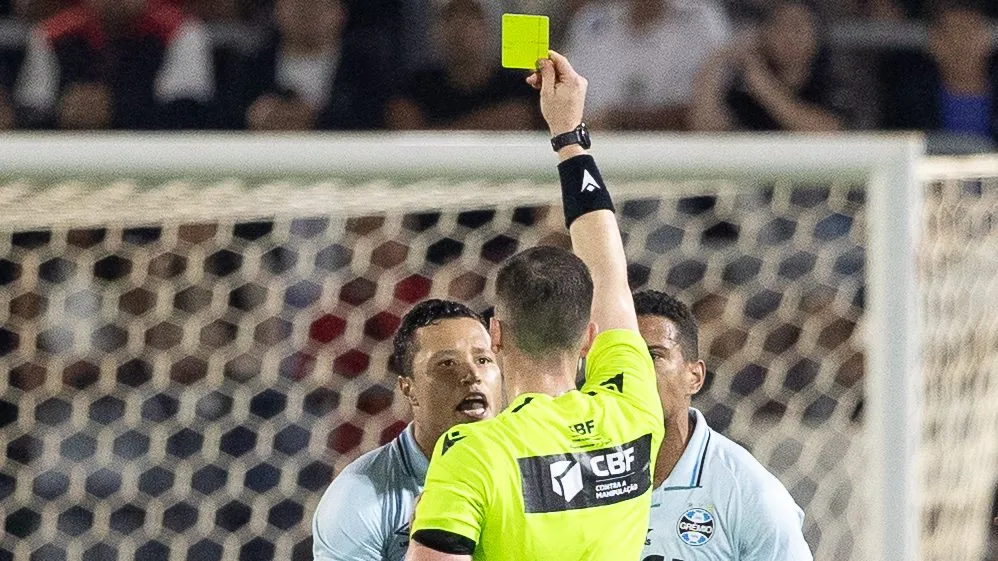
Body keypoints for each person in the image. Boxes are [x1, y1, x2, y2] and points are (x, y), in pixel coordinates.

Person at [407, 51, 664, 560]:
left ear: (495, 335)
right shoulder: (634, 408)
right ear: (589, 338)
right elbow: (610, 278)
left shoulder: (475, 453)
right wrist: (570, 135)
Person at [312, 299, 502, 561]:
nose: (472, 374)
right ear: (408, 389)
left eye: (483, 359)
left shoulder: (533, 468)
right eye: (446, 364)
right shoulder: (358, 497)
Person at [633, 289, 812, 560]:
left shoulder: (749, 493)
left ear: (694, 376)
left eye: (654, 355)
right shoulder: (582, 477)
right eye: (624, 357)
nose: (636, 371)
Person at [14, 0, 214, 129]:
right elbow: (32, 110)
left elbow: (186, 114)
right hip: (70, 151)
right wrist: (63, 113)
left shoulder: (181, 31)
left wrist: (115, 109)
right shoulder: (51, 34)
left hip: (148, 153)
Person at [562, 0, 731, 130]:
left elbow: (702, 114)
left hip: (676, 160)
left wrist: (619, 119)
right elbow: (567, 101)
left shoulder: (701, 20)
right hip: (594, 153)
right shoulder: (590, 22)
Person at [235, 0, 391, 131]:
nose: (307, 9)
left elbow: (375, 122)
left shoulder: (365, 69)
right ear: (276, 10)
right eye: (296, 3)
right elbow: (225, 118)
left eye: (319, 3)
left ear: (341, 12)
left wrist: (316, 121)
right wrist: (252, 117)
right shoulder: (250, 67)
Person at [689, 0, 844, 132]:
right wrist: (719, 58)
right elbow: (706, 129)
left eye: (797, 27)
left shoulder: (833, 80)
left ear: (816, 34)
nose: (788, 36)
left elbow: (827, 130)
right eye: (779, 27)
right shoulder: (744, 85)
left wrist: (764, 87)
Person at [385, 0, 536, 131]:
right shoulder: (415, 87)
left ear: (489, 26)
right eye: (450, 16)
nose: (459, 26)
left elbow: (526, 120)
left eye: (471, 16)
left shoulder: (518, 87)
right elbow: (406, 135)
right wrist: (494, 121)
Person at [878, 0, 997, 149]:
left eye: (968, 34)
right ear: (932, 44)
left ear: (986, 39)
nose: (959, 45)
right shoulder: (909, 98)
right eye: (949, 36)